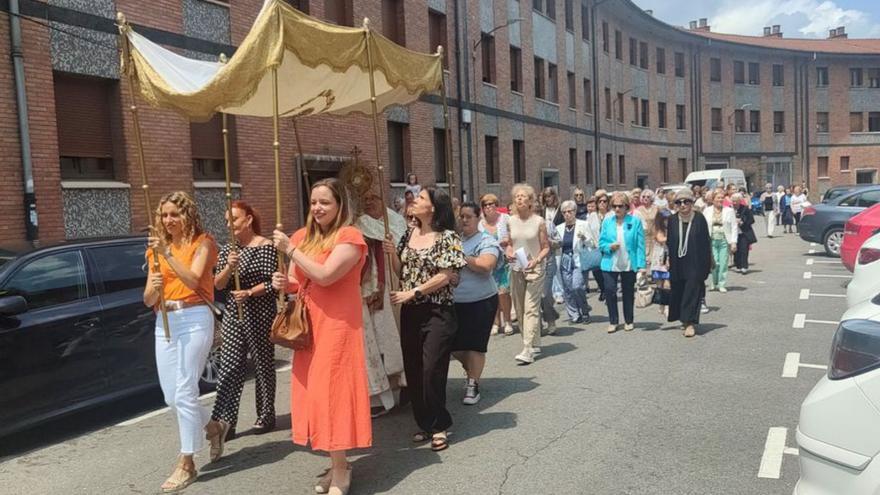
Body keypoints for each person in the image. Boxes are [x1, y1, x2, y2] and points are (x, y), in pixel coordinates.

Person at [271, 178, 371, 495]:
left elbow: (326, 276)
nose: (317, 208)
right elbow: (295, 281)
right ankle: (337, 460)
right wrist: (281, 282)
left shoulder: (350, 237)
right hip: (308, 327)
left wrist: (291, 250)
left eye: (325, 202)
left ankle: (341, 470)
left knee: (333, 394)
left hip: (339, 326)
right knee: (315, 394)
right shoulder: (302, 236)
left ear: (340, 205)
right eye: (314, 202)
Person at [142, 191, 218, 492]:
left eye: (175, 214)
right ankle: (213, 427)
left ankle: (187, 462)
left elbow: (193, 280)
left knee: (186, 389)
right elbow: (147, 298)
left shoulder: (204, 243)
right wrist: (154, 287)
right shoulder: (154, 252)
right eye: (164, 215)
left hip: (194, 316)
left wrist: (169, 255)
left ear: (187, 215)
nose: (168, 220)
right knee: (172, 397)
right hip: (164, 320)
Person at [383, 186, 466, 452]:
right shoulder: (408, 233)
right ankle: (424, 422)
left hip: (437, 310)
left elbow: (445, 275)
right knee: (415, 369)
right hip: (411, 311)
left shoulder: (448, 237)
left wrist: (414, 291)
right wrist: (391, 254)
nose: (413, 201)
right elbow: (401, 270)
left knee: (432, 369)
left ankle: (440, 424)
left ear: (432, 207)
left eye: (420, 198)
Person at [205, 201, 278, 462]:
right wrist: (229, 267)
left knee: (262, 364)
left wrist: (249, 292)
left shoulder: (266, 246)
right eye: (226, 220)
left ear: (248, 220)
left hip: (259, 312)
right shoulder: (228, 250)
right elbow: (218, 284)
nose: (229, 225)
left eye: (233, 219)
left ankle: (266, 414)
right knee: (231, 366)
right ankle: (226, 420)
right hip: (234, 315)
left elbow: (274, 282)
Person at [355, 193, 407, 417]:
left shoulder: (395, 220)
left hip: (395, 277)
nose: (369, 202)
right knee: (376, 337)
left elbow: (404, 244)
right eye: (365, 199)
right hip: (370, 285)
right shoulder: (358, 223)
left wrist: (389, 245)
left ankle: (406, 384)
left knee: (399, 331)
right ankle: (381, 393)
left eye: (374, 198)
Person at [452, 202, 500, 405]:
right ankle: (471, 371)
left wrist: (461, 256)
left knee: (476, 346)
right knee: (453, 345)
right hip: (456, 301)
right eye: (461, 216)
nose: (464, 220)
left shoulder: (487, 240)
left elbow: (486, 265)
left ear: (478, 218)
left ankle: (473, 384)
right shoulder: (456, 240)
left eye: (468, 217)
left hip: (481, 301)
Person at [506, 183, 551, 365]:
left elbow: (546, 247)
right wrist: (508, 252)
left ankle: (527, 348)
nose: (520, 199)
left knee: (531, 308)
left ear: (531, 200)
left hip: (535, 268)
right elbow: (509, 243)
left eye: (524, 196)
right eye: (517, 196)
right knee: (519, 308)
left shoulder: (539, 221)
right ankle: (535, 341)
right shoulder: (511, 220)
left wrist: (537, 260)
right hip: (517, 267)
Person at [666, 189, 712, 338]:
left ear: (692, 203)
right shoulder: (673, 220)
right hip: (677, 262)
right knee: (679, 291)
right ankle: (683, 319)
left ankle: (690, 322)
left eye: (686, 202)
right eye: (679, 202)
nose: (683, 205)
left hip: (695, 262)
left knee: (692, 290)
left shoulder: (699, 219)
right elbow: (669, 242)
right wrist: (666, 259)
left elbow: (706, 242)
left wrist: (706, 265)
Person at [598, 192, 645, 333]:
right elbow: (601, 243)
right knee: (610, 291)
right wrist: (608, 247)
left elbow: (640, 245)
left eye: (620, 206)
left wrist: (642, 266)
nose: (617, 209)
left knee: (628, 292)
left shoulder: (634, 221)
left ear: (626, 207)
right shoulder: (607, 222)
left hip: (629, 262)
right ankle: (613, 321)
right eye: (614, 206)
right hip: (610, 262)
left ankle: (629, 320)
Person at [479, 193, 514, 336]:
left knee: (503, 293)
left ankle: (508, 321)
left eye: (491, 204)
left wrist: (508, 239)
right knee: (491, 294)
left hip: (504, 262)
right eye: (485, 205)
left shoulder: (505, 219)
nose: (488, 207)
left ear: (496, 205)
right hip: (488, 262)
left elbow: (515, 234)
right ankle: (495, 322)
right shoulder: (479, 223)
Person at [555, 200, 593, 324]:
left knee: (577, 286)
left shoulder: (583, 224)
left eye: (569, 211)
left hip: (578, 259)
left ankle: (584, 310)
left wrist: (585, 238)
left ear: (575, 212)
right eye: (564, 212)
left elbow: (592, 243)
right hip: (564, 260)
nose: (567, 214)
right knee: (568, 289)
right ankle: (574, 314)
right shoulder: (559, 228)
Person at [707, 192, 738, 292]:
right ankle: (714, 282)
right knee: (715, 262)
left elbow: (734, 226)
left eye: (722, 198)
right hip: (712, 239)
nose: (720, 200)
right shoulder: (707, 210)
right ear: (713, 199)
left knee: (723, 263)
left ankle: (721, 283)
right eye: (718, 198)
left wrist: (733, 242)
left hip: (724, 239)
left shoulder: (729, 211)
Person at [587, 191, 609, 301]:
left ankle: (607, 290)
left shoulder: (611, 216)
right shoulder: (592, 216)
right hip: (595, 247)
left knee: (606, 271)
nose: (602, 203)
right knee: (596, 271)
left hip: (608, 248)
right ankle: (603, 288)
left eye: (605, 201)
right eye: (600, 201)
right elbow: (589, 231)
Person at [650, 214, 670, 317]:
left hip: (667, 261)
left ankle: (666, 305)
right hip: (658, 261)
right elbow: (661, 239)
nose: (667, 221)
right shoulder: (657, 230)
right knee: (659, 285)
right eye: (665, 219)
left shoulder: (669, 229)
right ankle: (661, 304)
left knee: (667, 284)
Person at [732, 192, 756, 274]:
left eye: (736, 201)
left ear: (740, 201)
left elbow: (752, 220)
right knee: (736, 250)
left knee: (744, 250)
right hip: (733, 233)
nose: (734, 203)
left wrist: (742, 222)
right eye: (733, 201)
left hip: (744, 232)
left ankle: (744, 266)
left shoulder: (745, 209)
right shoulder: (729, 209)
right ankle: (738, 265)